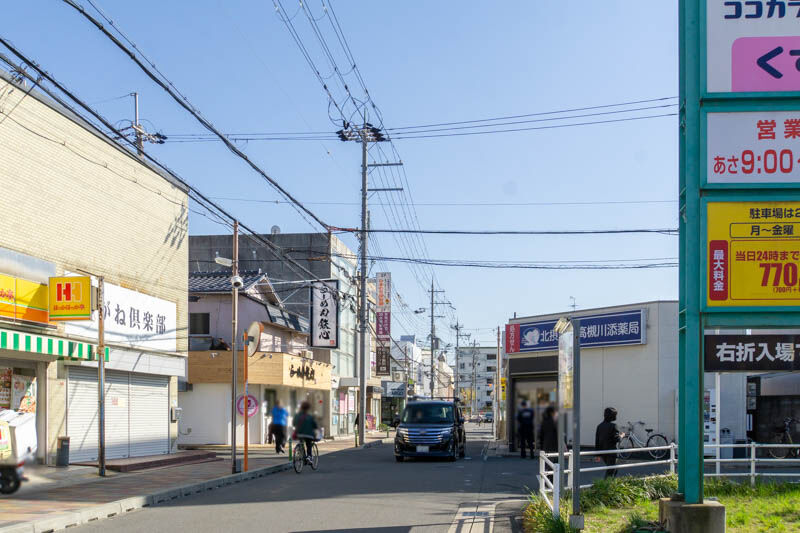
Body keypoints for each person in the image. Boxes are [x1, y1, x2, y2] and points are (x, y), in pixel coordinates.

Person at [595, 407, 625, 478]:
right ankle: (604, 487)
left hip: (603, 452)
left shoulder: (599, 426)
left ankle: (609, 485)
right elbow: (617, 439)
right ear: (613, 416)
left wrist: (597, 454)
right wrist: (622, 435)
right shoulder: (613, 426)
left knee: (613, 469)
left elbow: (597, 440)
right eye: (615, 415)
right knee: (611, 471)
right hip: (612, 452)